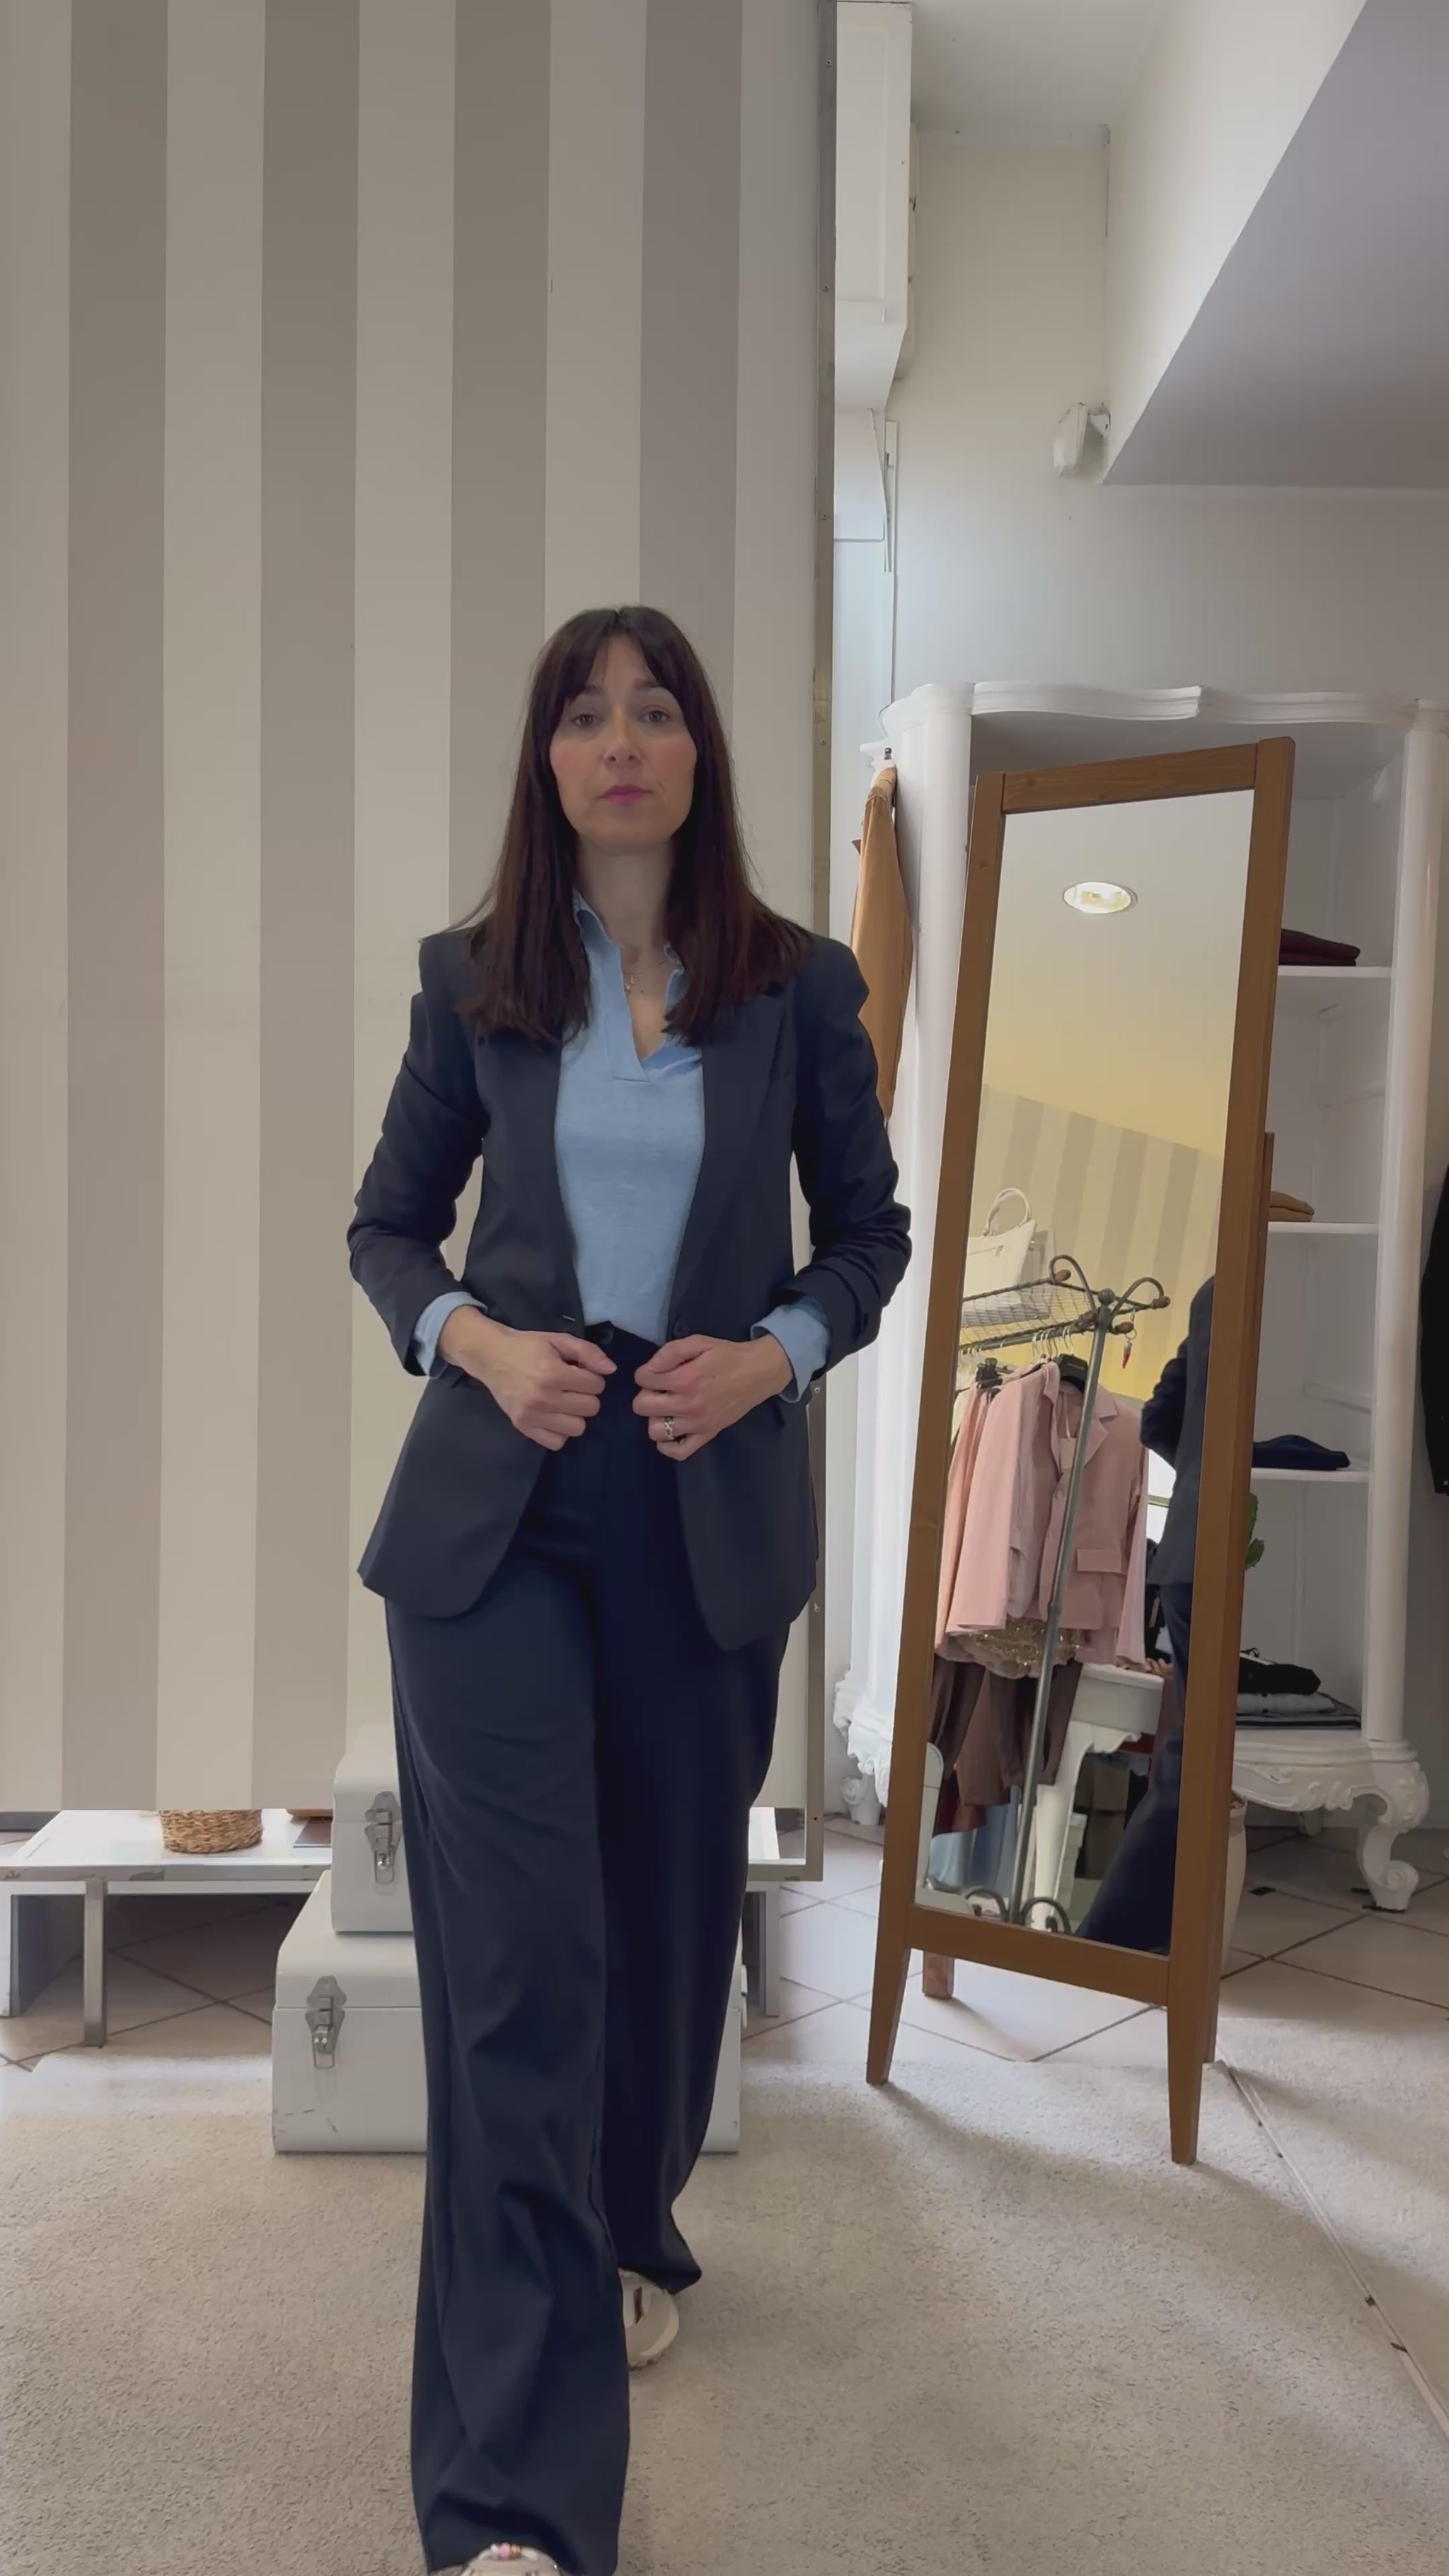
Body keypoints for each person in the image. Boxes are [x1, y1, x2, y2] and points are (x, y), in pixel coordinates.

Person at [347, 604, 911, 2576]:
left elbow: (868, 1240)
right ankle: (511, 2505)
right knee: (517, 1984)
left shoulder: (800, 988)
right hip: (493, 1519)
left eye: (651, 709)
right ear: (546, 760)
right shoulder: (473, 983)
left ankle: (625, 2221)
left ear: (695, 753)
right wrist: (475, 1343)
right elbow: (388, 1230)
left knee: (667, 1960)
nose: (617, 740)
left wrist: (773, 1355)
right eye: (583, 713)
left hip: (701, 1513)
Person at [1078, 1276, 1213, 1953]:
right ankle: (1117, 1940)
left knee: (1185, 1757)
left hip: (1191, 1545)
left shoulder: (1218, 1290)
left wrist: (1199, 1475)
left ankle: (1132, 1936)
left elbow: (1158, 1418)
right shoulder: (1306, 1289)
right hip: (1235, 1548)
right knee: (1191, 1761)